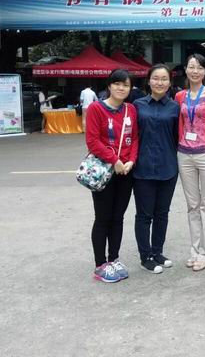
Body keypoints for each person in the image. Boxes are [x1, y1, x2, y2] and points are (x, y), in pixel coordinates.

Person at [85, 69, 139, 283]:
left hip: (125, 171)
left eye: (125, 85)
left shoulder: (130, 109)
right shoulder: (96, 108)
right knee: (103, 217)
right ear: (109, 86)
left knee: (118, 217)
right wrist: (114, 160)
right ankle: (100, 265)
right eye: (117, 84)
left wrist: (131, 160)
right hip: (104, 171)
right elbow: (92, 141)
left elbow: (135, 138)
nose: (121, 88)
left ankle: (113, 259)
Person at [175, 54, 205, 271]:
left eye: (199, 68)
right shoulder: (179, 96)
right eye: (191, 67)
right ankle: (195, 250)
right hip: (184, 155)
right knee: (192, 206)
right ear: (186, 69)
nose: (195, 71)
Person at [133, 64, 180, 274]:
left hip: (168, 167)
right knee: (144, 215)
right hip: (142, 169)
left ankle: (157, 251)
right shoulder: (137, 105)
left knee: (162, 213)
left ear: (169, 82)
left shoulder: (175, 107)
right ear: (149, 81)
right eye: (155, 78)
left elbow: (178, 136)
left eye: (164, 79)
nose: (159, 82)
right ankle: (145, 256)